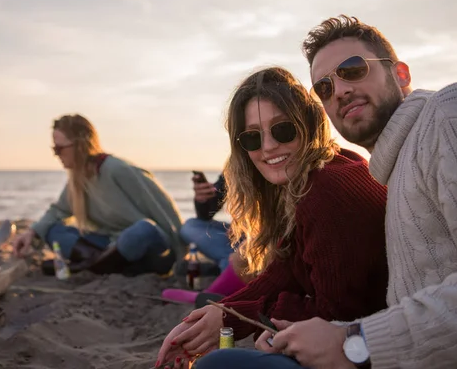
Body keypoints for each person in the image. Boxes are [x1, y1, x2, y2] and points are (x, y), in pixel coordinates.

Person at [216, 15, 457, 369]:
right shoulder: (387, 171)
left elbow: (353, 313)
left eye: (353, 70)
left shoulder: (450, 112)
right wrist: (230, 315)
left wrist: (357, 343)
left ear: (401, 74)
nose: (338, 90)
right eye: (324, 87)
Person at [156, 66, 390, 368]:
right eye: (252, 138)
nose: (267, 147)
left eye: (282, 129)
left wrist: (254, 319)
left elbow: (337, 315)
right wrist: (222, 312)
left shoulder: (325, 190)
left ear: (307, 123)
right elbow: (284, 273)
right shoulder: (323, 170)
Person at [12, 114, 184, 276]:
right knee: (52, 230)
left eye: (59, 149)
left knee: (143, 229)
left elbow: (164, 210)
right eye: (54, 149)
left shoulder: (117, 170)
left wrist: (182, 257)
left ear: (80, 145)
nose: (56, 154)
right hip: (109, 246)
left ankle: (91, 266)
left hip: (146, 248)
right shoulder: (77, 179)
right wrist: (31, 233)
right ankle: (104, 264)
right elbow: (58, 211)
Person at [162, 172, 252, 306]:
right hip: (241, 236)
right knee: (190, 226)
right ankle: (230, 266)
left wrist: (254, 229)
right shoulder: (239, 161)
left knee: (251, 249)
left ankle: (224, 281)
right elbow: (207, 213)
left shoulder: (276, 163)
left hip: (267, 236)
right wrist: (203, 200)